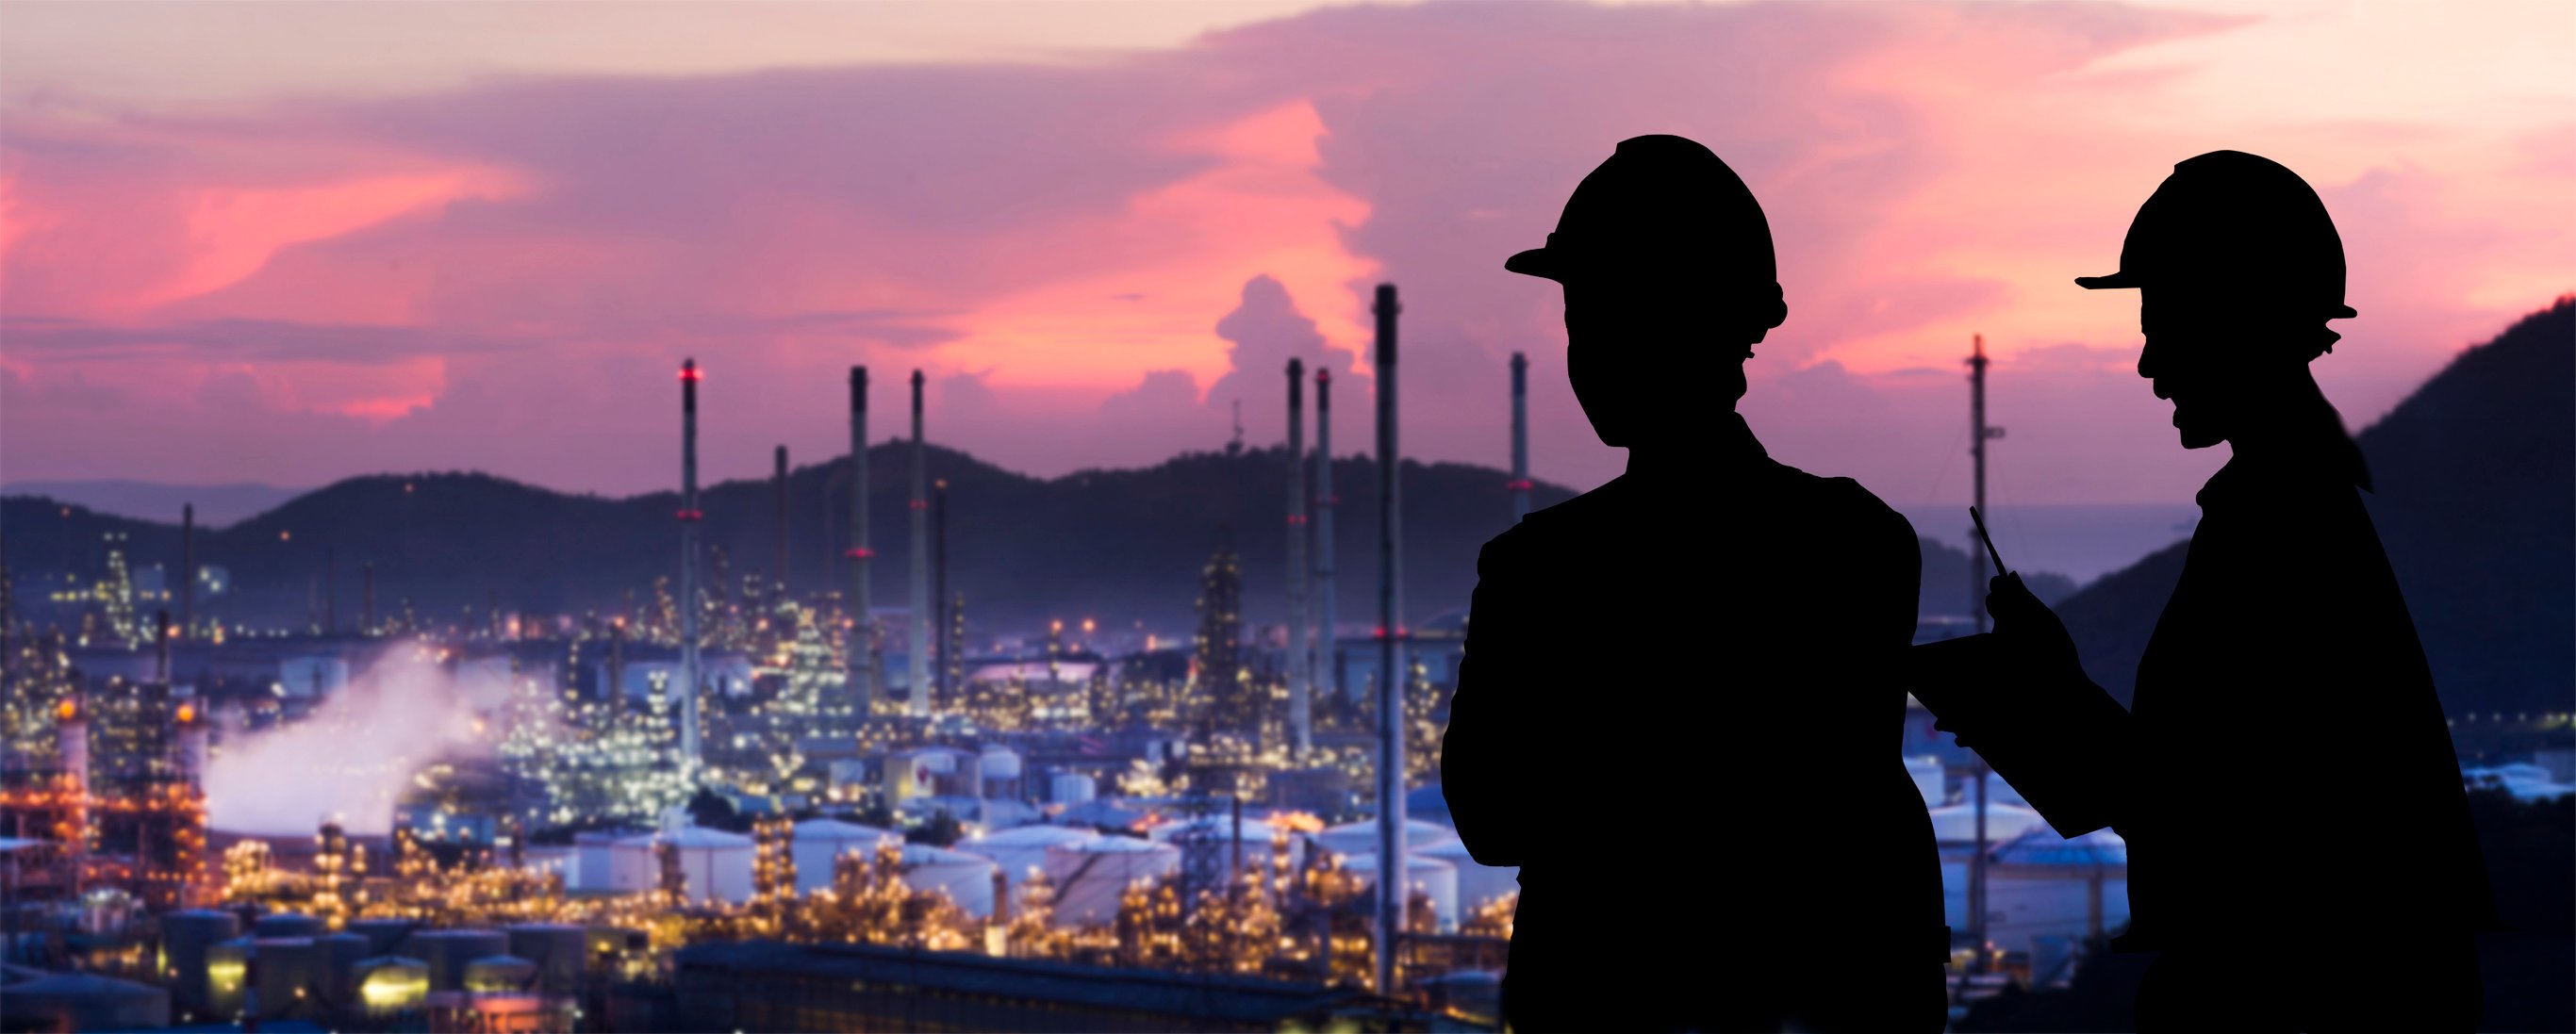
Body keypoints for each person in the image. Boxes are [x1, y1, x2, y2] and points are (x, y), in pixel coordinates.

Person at [1960, 150, 2496, 1031]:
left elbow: (2208, 819)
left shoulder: (2279, 528)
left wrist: (2049, 695)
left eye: (2162, 323)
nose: (2146, 363)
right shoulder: (2299, 509)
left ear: (2231, 319)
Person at [1443, 135, 1948, 1033]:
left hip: (1605, 995)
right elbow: (1834, 801)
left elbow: (1492, 815)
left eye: (1599, 318)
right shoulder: (1858, 544)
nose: (1585, 353)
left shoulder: (1543, 571)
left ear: (1671, 327)